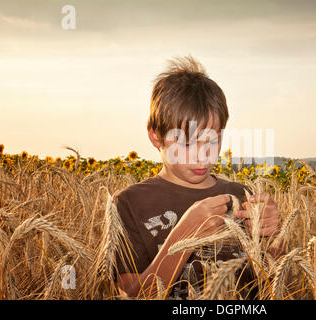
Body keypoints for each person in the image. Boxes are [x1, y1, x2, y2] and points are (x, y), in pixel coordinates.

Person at [113, 55, 282, 299]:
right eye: (187, 143)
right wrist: (184, 237)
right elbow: (132, 295)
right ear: (156, 137)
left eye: (212, 141)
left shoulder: (240, 196)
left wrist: (272, 234)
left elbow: (271, 283)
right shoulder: (130, 204)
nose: (202, 156)